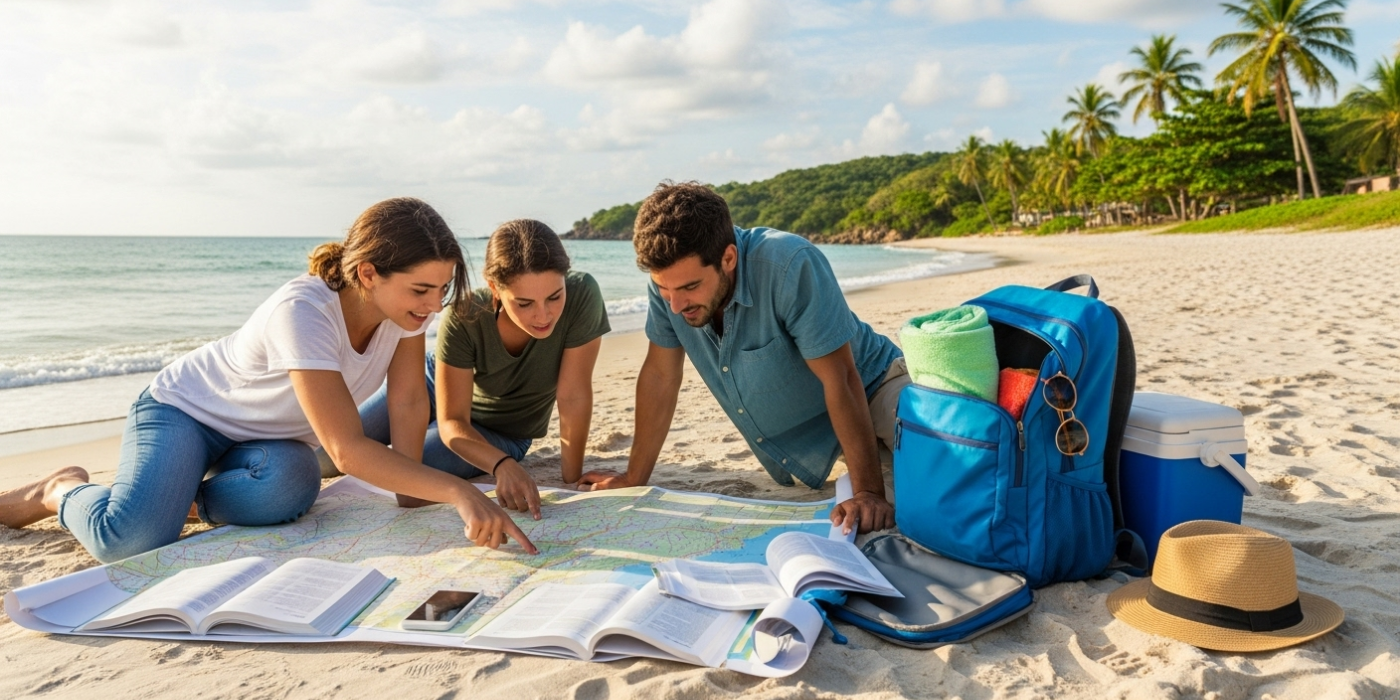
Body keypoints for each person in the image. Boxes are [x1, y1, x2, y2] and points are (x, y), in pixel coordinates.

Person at [0, 198, 537, 562]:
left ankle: (182, 496)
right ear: (369, 273)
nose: (433, 304)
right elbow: (348, 450)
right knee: (130, 539)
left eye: (441, 289)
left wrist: (414, 493)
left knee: (293, 485)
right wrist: (458, 492)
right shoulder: (304, 309)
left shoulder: (404, 318)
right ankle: (59, 489)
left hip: (265, 442)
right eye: (421, 289)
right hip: (186, 412)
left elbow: (406, 406)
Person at [578, 182, 909, 535]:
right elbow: (661, 377)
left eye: (690, 287)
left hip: (878, 390)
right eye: (664, 288)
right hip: (836, 432)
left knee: (939, 489)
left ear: (729, 258)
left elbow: (841, 378)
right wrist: (633, 477)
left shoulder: (789, 265)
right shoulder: (672, 287)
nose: (675, 304)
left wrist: (868, 492)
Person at [334, 219, 609, 520]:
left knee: (408, 467)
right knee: (330, 454)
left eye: (554, 297)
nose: (543, 315)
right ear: (494, 288)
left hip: (502, 433)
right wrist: (503, 467)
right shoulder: (465, 314)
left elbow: (573, 395)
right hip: (431, 384)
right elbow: (452, 419)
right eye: (524, 303)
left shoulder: (583, 295)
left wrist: (572, 479)